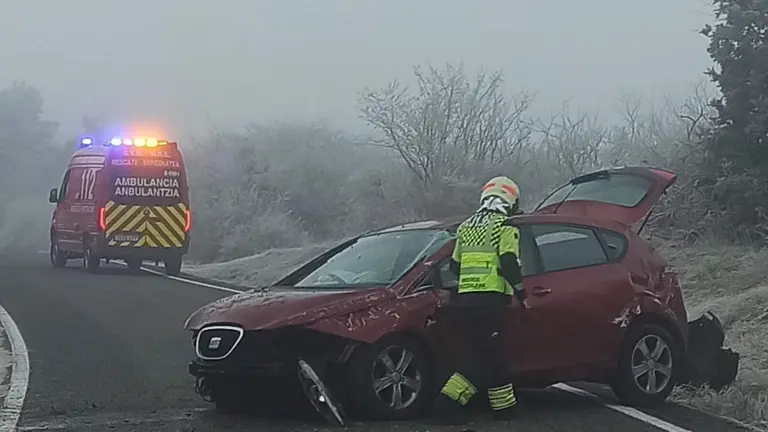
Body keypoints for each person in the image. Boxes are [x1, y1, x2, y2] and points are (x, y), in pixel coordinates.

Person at [431, 175, 528, 425]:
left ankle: (505, 409)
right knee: (482, 357)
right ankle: (447, 404)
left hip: (466, 302)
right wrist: (520, 291)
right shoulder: (505, 226)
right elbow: (508, 262)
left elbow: (454, 266)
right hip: (491, 302)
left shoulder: (466, 227)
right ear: (511, 201)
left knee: (488, 355)